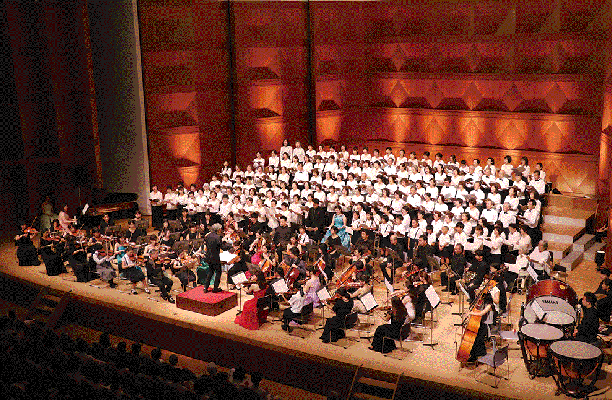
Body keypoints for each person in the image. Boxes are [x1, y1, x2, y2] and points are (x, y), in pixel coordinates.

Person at [466, 292, 495, 363]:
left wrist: (471, 313)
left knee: (475, 339)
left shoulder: (489, 305)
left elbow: (481, 313)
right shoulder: (484, 303)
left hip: (486, 326)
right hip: (482, 323)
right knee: (477, 338)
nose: (480, 298)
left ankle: (474, 356)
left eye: (482, 297)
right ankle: (481, 352)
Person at [202, 223, 223, 293]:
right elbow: (221, 246)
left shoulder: (208, 236)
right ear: (217, 229)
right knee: (218, 272)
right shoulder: (217, 237)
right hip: (215, 257)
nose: (221, 230)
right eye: (220, 229)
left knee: (210, 272)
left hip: (208, 257)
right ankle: (215, 288)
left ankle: (206, 287)